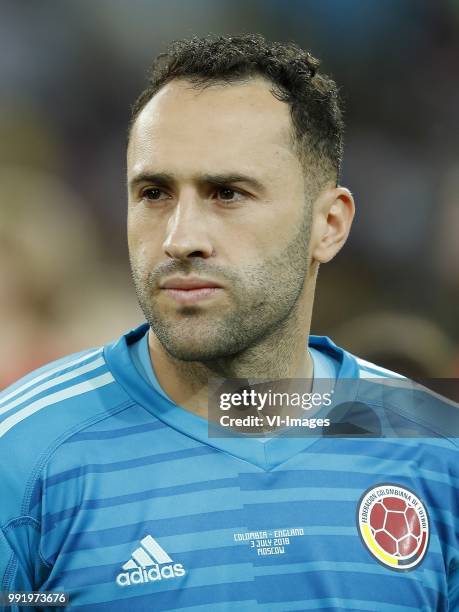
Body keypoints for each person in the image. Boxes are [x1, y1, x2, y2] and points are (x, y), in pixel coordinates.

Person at [0, 34, 457, 611]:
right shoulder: (21, 457)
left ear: (330, 225)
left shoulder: (436, 443)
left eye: (227, 193)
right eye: (154, 193)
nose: (180, 238)